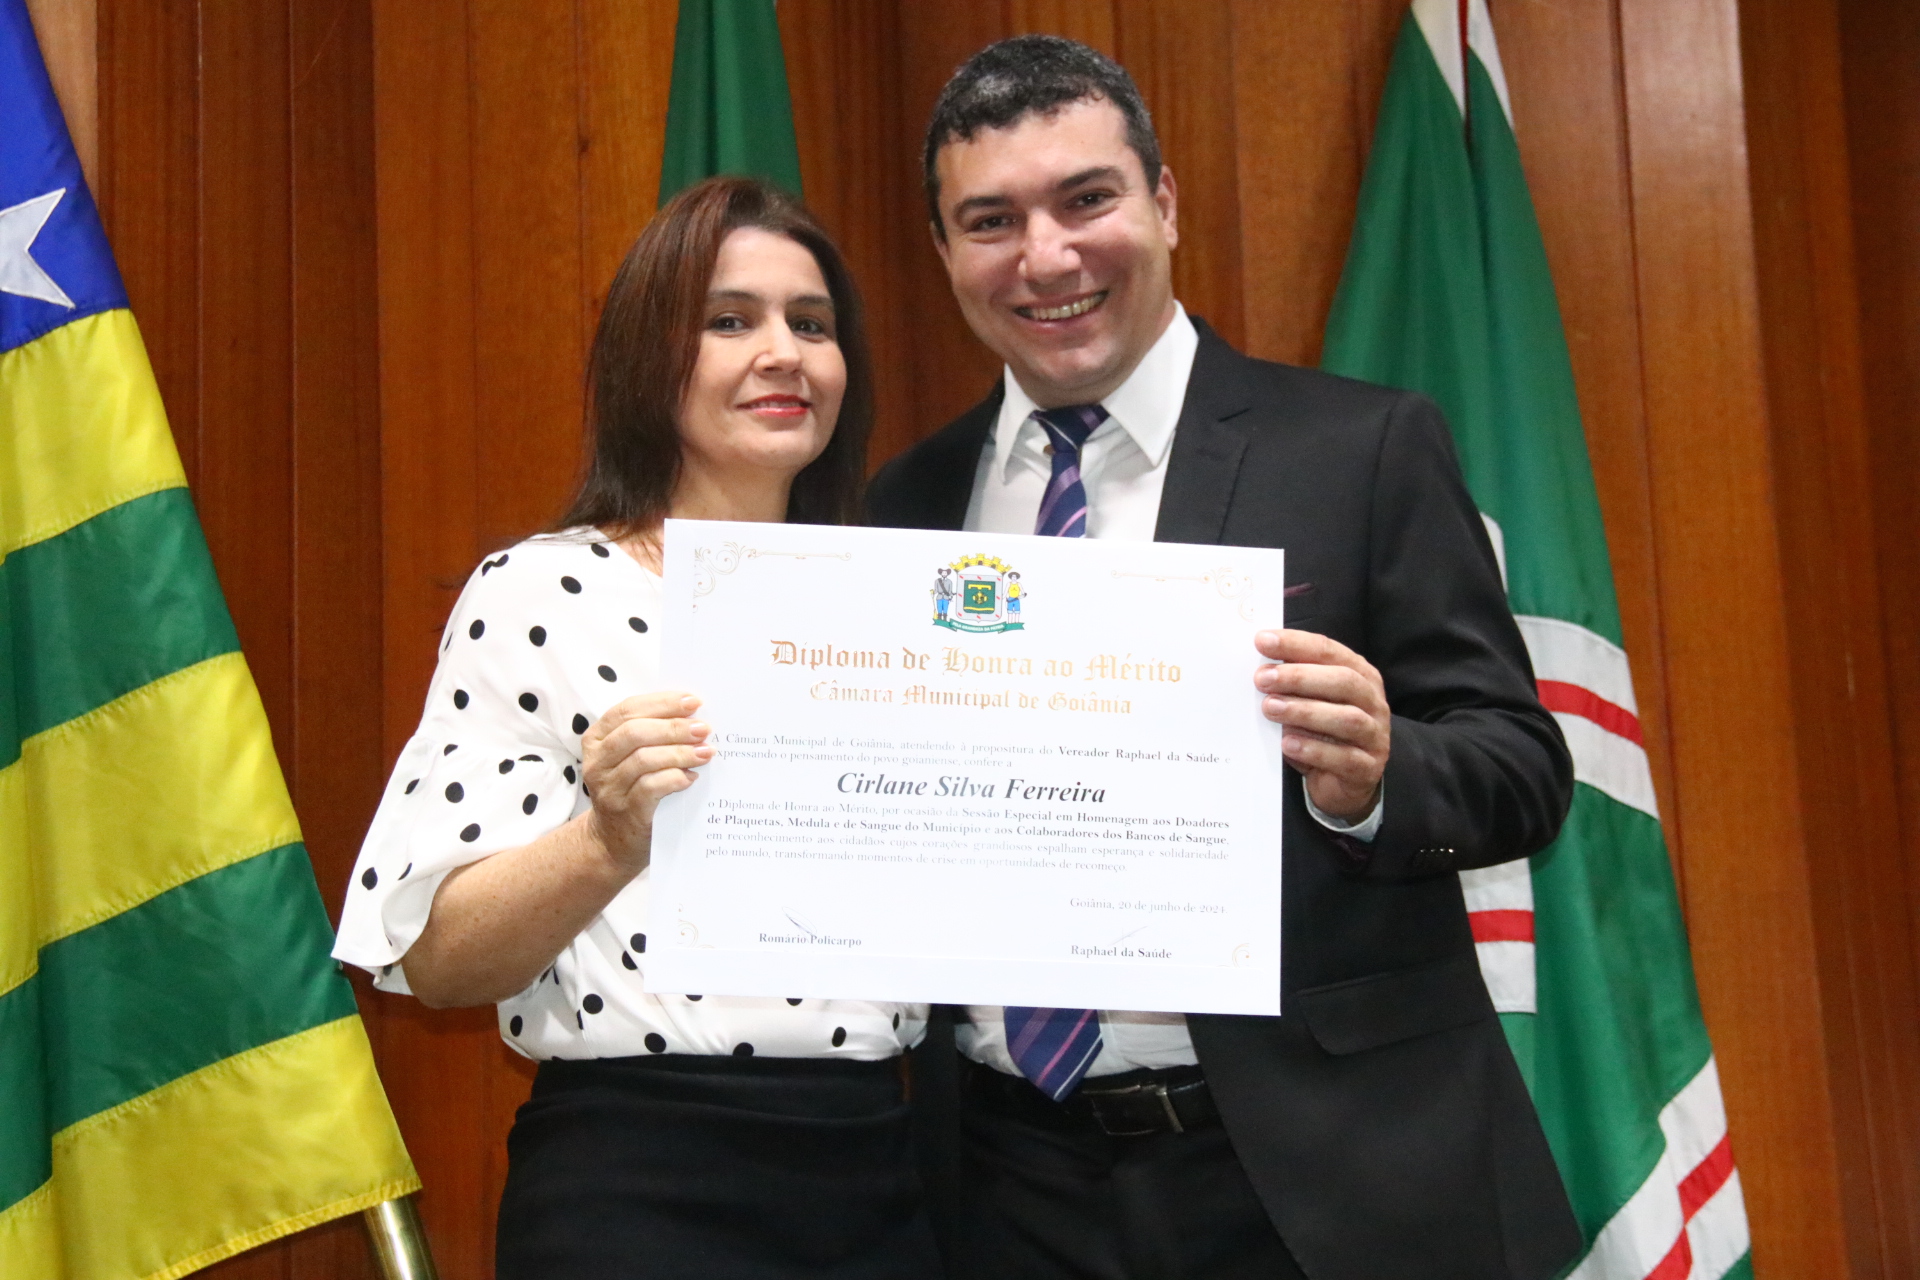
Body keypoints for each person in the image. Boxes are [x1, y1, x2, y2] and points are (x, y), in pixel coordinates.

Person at [871, 36, 1583, 1280]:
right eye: (991, 220)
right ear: (943, 251)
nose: (1046, 256)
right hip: (1003, 1187)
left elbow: (1522, 766)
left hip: (1321, 1179)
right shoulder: (904, 505)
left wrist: (1378, 774)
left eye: (1086, 199)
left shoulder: (1360, 449)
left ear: (1165, 202)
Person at [334, 176, 937, 1279]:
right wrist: (608, 838)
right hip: (638, 1179)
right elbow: (435, 958)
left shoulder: (907, 606)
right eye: (730, 320)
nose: (784, 353)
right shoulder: (540, 592)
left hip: (884, 1172)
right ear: (648, 360)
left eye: (812, 324)